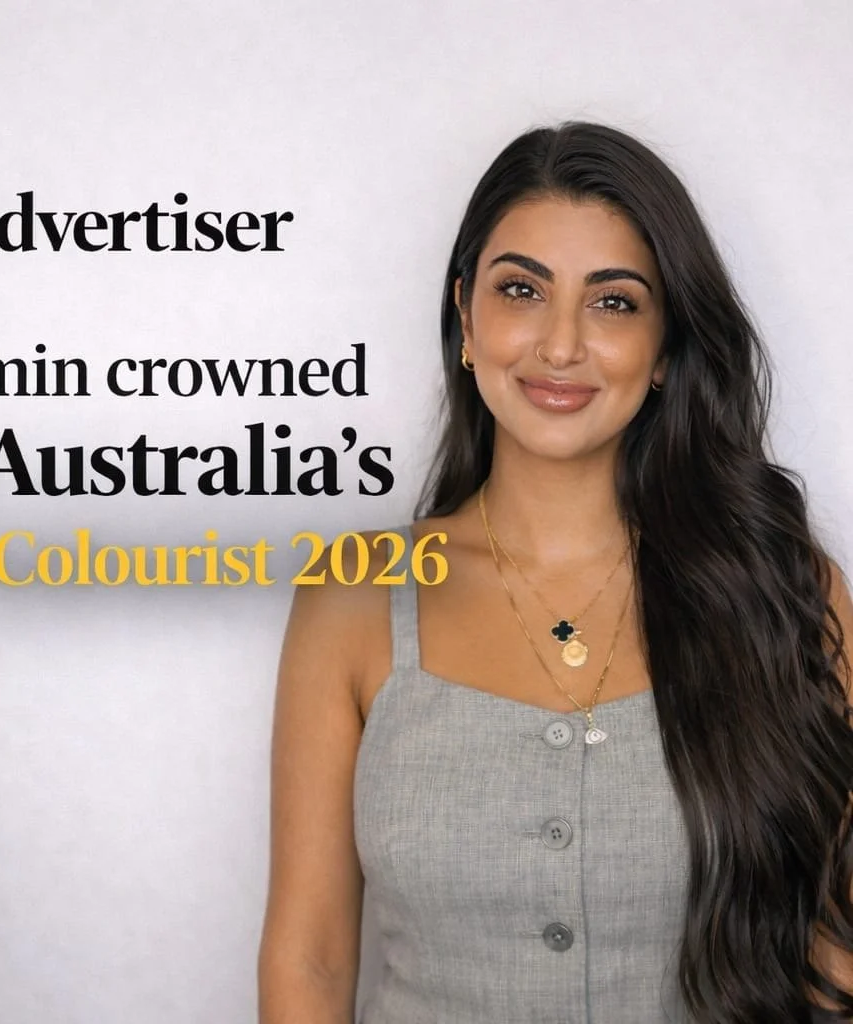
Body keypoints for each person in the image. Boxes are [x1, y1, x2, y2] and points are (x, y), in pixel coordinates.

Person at [256, 121, 853, 1022]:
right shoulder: (355, 596)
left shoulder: (784, 590)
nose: (561, 345)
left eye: (613, 302)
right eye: (522, 290)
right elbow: (309, 962)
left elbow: (840, 952)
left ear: (665, 347)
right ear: (466, 314)